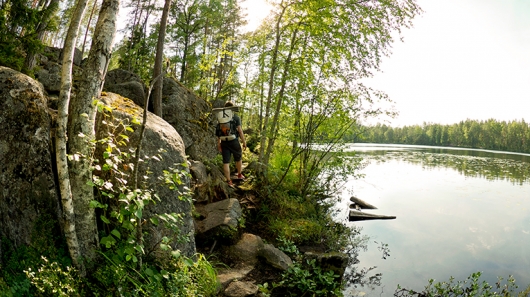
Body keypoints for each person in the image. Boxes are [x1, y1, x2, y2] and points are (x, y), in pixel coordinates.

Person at [217, 101, 246, 186]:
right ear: (232, 108)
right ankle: (239, 174)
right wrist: (244, 142)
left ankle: (229, 181)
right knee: (238, 157)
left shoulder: (220, 118)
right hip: (234, 141)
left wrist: (219, 144)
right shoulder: (235, 117)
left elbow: (218, 132)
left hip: (224, 142)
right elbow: (240, 131)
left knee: (226, 162)